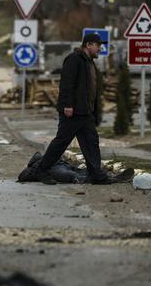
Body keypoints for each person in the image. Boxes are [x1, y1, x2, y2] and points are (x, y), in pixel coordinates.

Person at [32, 33, 112, 184]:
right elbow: (67, 84)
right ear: (88, 45)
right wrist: (68, 105)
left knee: (91, 141)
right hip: (73, 111)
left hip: (85, 112)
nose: (100, 49)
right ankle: (40, 170)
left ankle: (96, 175)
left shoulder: (89, 62)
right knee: (61, 142)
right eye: (97, 45)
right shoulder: (74, 59)